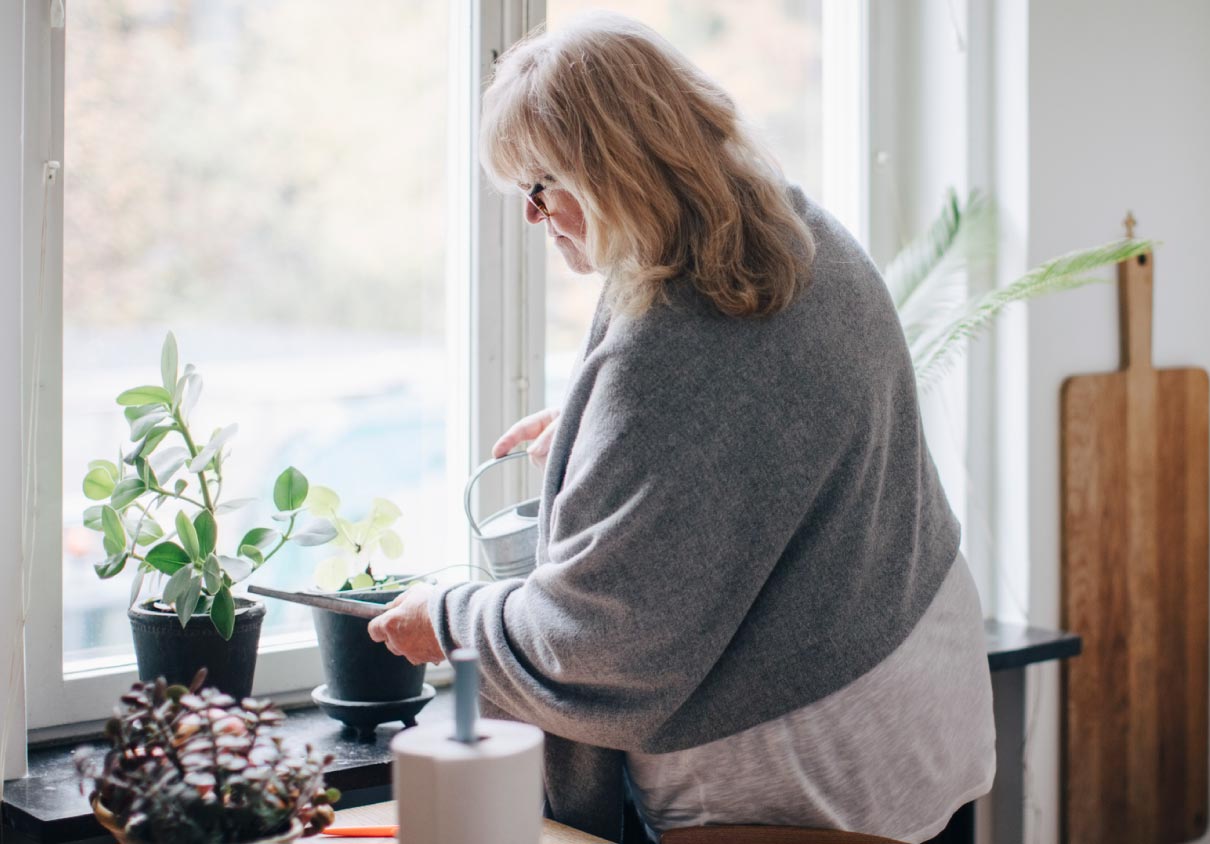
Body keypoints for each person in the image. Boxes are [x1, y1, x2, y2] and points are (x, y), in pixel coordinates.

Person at [368, 13, 994, 842]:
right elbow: (768, 412)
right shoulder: (797, 231)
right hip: (921, 693)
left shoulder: (671, 349)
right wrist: (605, 434)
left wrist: (448, 621)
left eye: (540, 185)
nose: (533, 215)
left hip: (804, 779)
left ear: (613, 173)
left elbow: (600, 649)